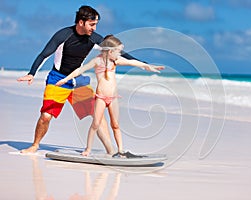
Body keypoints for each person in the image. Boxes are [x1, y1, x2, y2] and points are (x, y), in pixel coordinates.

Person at [17, 5, 139, 154]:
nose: (94, 28)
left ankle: (111, 152)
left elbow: (116, 52)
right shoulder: (63, 35)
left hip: (78, 81)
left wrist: (142, 63)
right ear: (81, 22)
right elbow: (44, 55)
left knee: (97, 116)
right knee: (46, 116)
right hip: (58, 79)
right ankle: (35, 145)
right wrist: (32, 73)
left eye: (96, 25)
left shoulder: (93, 38)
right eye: (92, 24)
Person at [55, 35, 164, 157]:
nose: (119, 55)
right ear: (110, 51)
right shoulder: (97, 61)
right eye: (118, 52)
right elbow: (79, 71)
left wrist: (147, 66)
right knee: (96, 124)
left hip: (113, 98)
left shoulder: (115, 61)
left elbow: (131, 62)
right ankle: (88, 149)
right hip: (101, 97)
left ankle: (121, 150)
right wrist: (65, 80)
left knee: (115, 125)